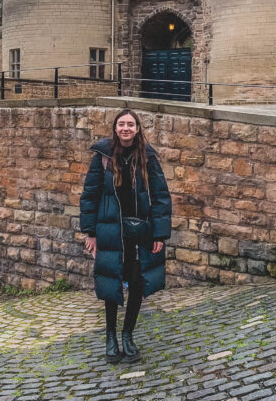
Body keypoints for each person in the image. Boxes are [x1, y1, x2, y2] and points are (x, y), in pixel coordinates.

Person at [80, 109, 172, 363]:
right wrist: (90, 233)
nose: (126, 128)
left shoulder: (148, 157)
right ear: (115, 128)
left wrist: (159, 234)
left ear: (137, 129)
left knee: (137, 282)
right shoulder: (102, 157)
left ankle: (127, 334)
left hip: (140, 231)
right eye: (121, 124)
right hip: (110, 229)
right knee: (111, 282)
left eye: (130, 124)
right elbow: (90, 195)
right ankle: (110, 337)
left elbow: (161, 197)